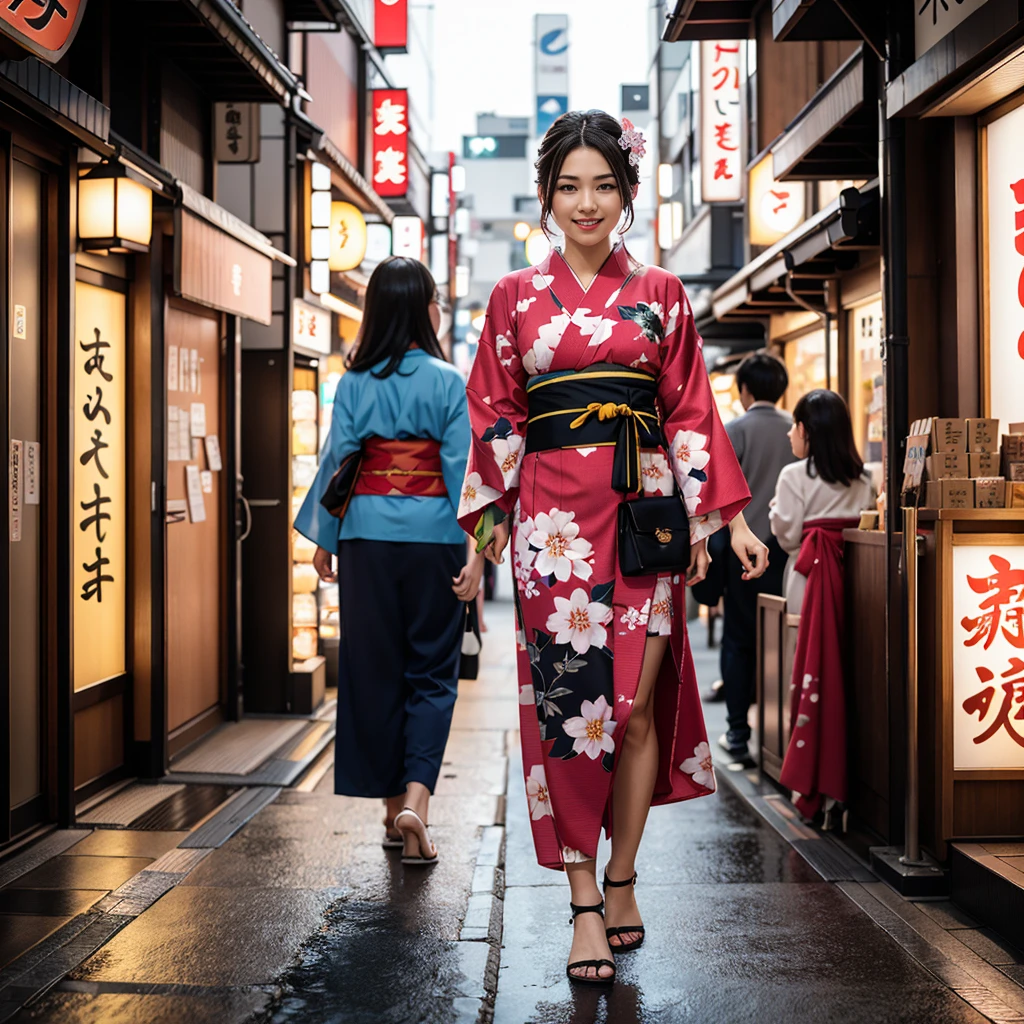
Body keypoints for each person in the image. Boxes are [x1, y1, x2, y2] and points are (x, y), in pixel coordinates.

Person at [456, 109, 768, 985]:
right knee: (571, 713)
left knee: (633, 709)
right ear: (547, 198)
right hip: (551, 530)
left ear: (627, 192)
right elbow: (494, 417)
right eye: (569, 187)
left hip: (645, 520)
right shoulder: (515, 297)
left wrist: (727, 519)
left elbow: (692, 411)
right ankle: (584, 897)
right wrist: (484, 537)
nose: (586, 203)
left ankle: (624, 874)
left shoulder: (661, 293)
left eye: (603, 185)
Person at [294, 256, 484, 868]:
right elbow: (463, 474)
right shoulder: (447, 381)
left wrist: (325, 537)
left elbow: (339, 462)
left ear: (376, 310)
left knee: (374, 669)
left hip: (367, 539)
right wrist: (479, 552)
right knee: (432, 672)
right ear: (424, 308)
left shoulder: (354, 383)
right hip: (433, 539)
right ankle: (416, 806)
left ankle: (386, 805)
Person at [769, 389, 874, 825]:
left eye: (796, 425)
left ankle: (811, 782)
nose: (792, 434)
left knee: (808, 672)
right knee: (846, 676)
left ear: (808, 432)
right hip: (855, 582)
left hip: (808, 582)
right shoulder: (864, 478)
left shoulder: (794, 477)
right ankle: (842, 791)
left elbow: (787, 536)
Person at [716, 352, 797, 765]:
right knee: (785, 638)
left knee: (739, 639)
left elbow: (719, 494)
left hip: (743, 551)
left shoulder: (735, 430)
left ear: (745, 389)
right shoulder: (796, 431)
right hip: (789, 554)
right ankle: (782, 732)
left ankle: (737, 730)